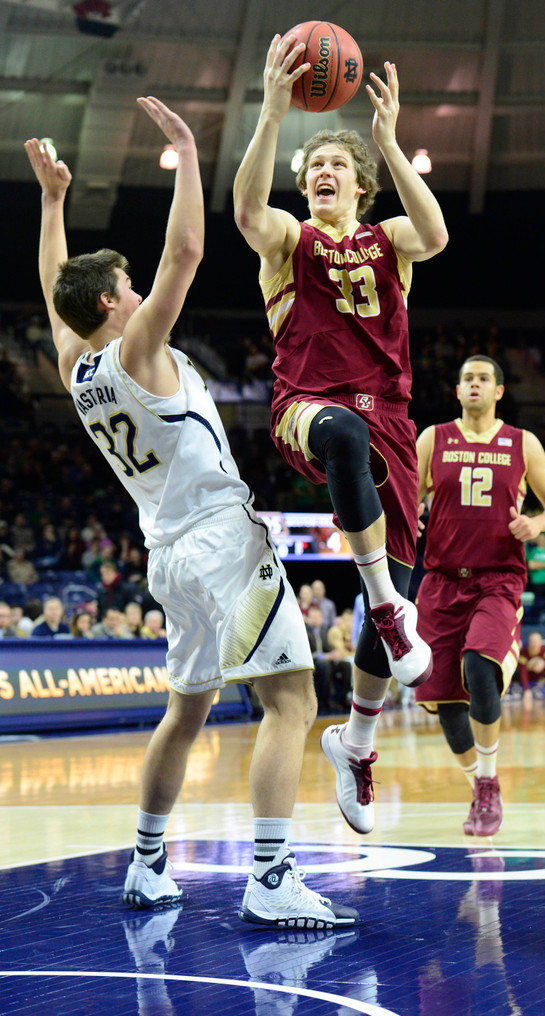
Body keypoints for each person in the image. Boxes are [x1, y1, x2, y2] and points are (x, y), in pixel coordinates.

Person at [26, 98, 356, 929]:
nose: (138, 291)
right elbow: (189, 248)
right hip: (218, 543)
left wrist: (54, 203)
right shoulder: (136, 350)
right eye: (125, 287)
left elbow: (52, 294)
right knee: (291, 703)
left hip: (166, 555)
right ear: (109, 305)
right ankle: (273, 876)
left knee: (188, 709)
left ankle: (145, 863)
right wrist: (184, 150)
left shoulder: (78, 366)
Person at [233, 37, 448, 833]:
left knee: (391, 573)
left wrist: (389, 144)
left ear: (359, 184)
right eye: (312, 163)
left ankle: (355, 741)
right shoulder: (291, 238)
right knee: (345, 437)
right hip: (308, 406)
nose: (322, 171)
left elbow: (436, 237)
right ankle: (391, 612)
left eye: (336, 164)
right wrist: (274, 113)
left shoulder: (390, 240)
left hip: (391, 417)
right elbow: (247, 213)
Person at [413, 356, 545, 836]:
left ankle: (487, 783)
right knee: (446, 704)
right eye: (467, 379)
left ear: (499, 390)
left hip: (497, 580)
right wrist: (411, 512)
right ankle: (481, 784)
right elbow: (406, 495)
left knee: (480, 665)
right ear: (457, 390)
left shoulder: (523, 443)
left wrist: (536, 523)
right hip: (440, 582)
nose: (474, 385)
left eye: (483, 378)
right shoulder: (432, 439)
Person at [517, 630, 545, 699]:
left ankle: (537, 688)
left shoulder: (544, 651)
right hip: (526, 674)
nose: (534, 643)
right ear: (529, 642)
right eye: (532, 641)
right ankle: (516, 689)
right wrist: (526, 689)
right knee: (516, 670)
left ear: (540, 641)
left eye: (536, 641)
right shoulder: (523, 652)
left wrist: (542, 663)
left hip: (538, 674)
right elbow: (523, 671)